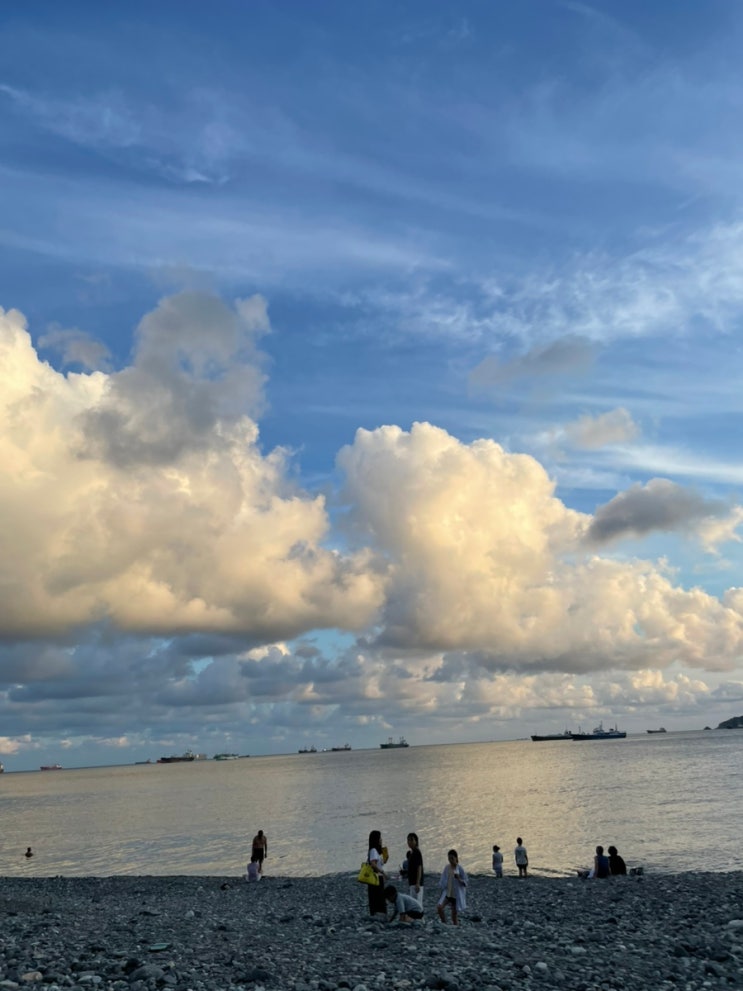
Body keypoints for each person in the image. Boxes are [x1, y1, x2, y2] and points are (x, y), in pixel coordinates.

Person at [436, 849, 467, 925]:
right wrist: (441, 885)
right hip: (448, 894)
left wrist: (459, 879)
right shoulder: (447, 868)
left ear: (456, 858)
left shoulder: (460, 869)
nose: (450, 860)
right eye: (449, 858)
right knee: (439, 907)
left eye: (452, 858)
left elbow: (466, 882)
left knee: (454, 917)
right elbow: (443, 879)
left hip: (456, 896)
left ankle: (457, 928)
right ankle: (444, 922)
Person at [366, 830, 387, 916]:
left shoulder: (375, 851)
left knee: (377, 896)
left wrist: (385, 858)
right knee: (378, 896)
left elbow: (379, 863)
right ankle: (378, 913)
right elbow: (373, 864)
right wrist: (382, 872)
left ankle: (377, 913)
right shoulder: (373, 850)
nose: (381, 840)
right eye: (380, 838)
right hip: (376, 877)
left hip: (377, 877)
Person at [406, 832, 424, 905]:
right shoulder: (412, 853)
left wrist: (418, 883)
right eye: (408, 840)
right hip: (412, 882)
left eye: (411, 840)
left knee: (417, 904)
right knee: (413, 904)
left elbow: (419, 867)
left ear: (416, 841)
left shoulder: (417, 852)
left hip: (416, 883)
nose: (409, 842)